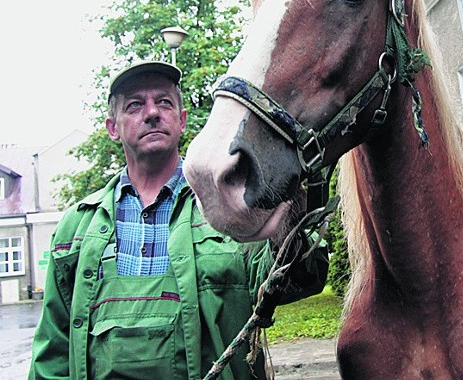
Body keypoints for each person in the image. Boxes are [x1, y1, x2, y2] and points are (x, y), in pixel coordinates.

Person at [30, 60, 328, 380]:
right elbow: (53, 352)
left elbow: (303, 277)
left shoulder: (228, 205)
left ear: (182, 120)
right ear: (112, 128)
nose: (152, 112)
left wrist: (292, 195)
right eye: (135, 105)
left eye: (164, 102)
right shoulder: (76, 228)